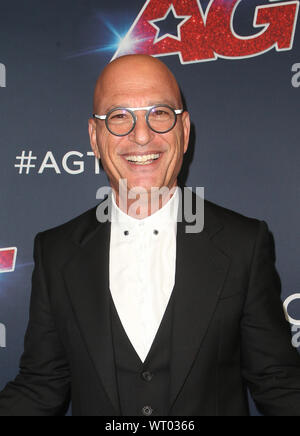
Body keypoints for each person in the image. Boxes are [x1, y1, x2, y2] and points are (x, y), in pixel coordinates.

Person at [0, 54, 299, 416]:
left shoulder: (244, 244)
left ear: (184, 131)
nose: (141, 136)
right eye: (119, 116)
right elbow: (40, 387)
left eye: (159, 113)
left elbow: (278, 383)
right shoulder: (56, 251)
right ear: (94, 138)